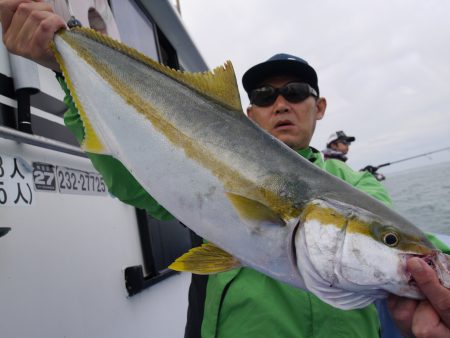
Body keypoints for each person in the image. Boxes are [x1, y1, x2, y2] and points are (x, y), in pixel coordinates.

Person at [1, 2, 450, 337]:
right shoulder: (202, 167)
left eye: (295, 92)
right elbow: (130, 181)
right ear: (250, 113)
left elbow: (405, 244)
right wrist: (63, 63)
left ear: (320, 106)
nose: (280, 104)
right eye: (262, 96)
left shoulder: (358, 185)